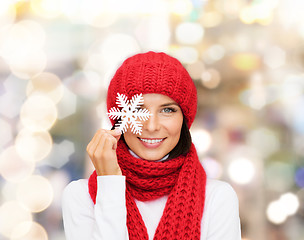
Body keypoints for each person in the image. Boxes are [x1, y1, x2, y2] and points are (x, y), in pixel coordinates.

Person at [62, 51, 241, 240]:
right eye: (138, 109)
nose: (152, 126)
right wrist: (109, 182)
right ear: (119, 119)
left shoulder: (217, 198)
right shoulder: (80, 196)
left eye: (167, 110)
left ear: (184, 119)